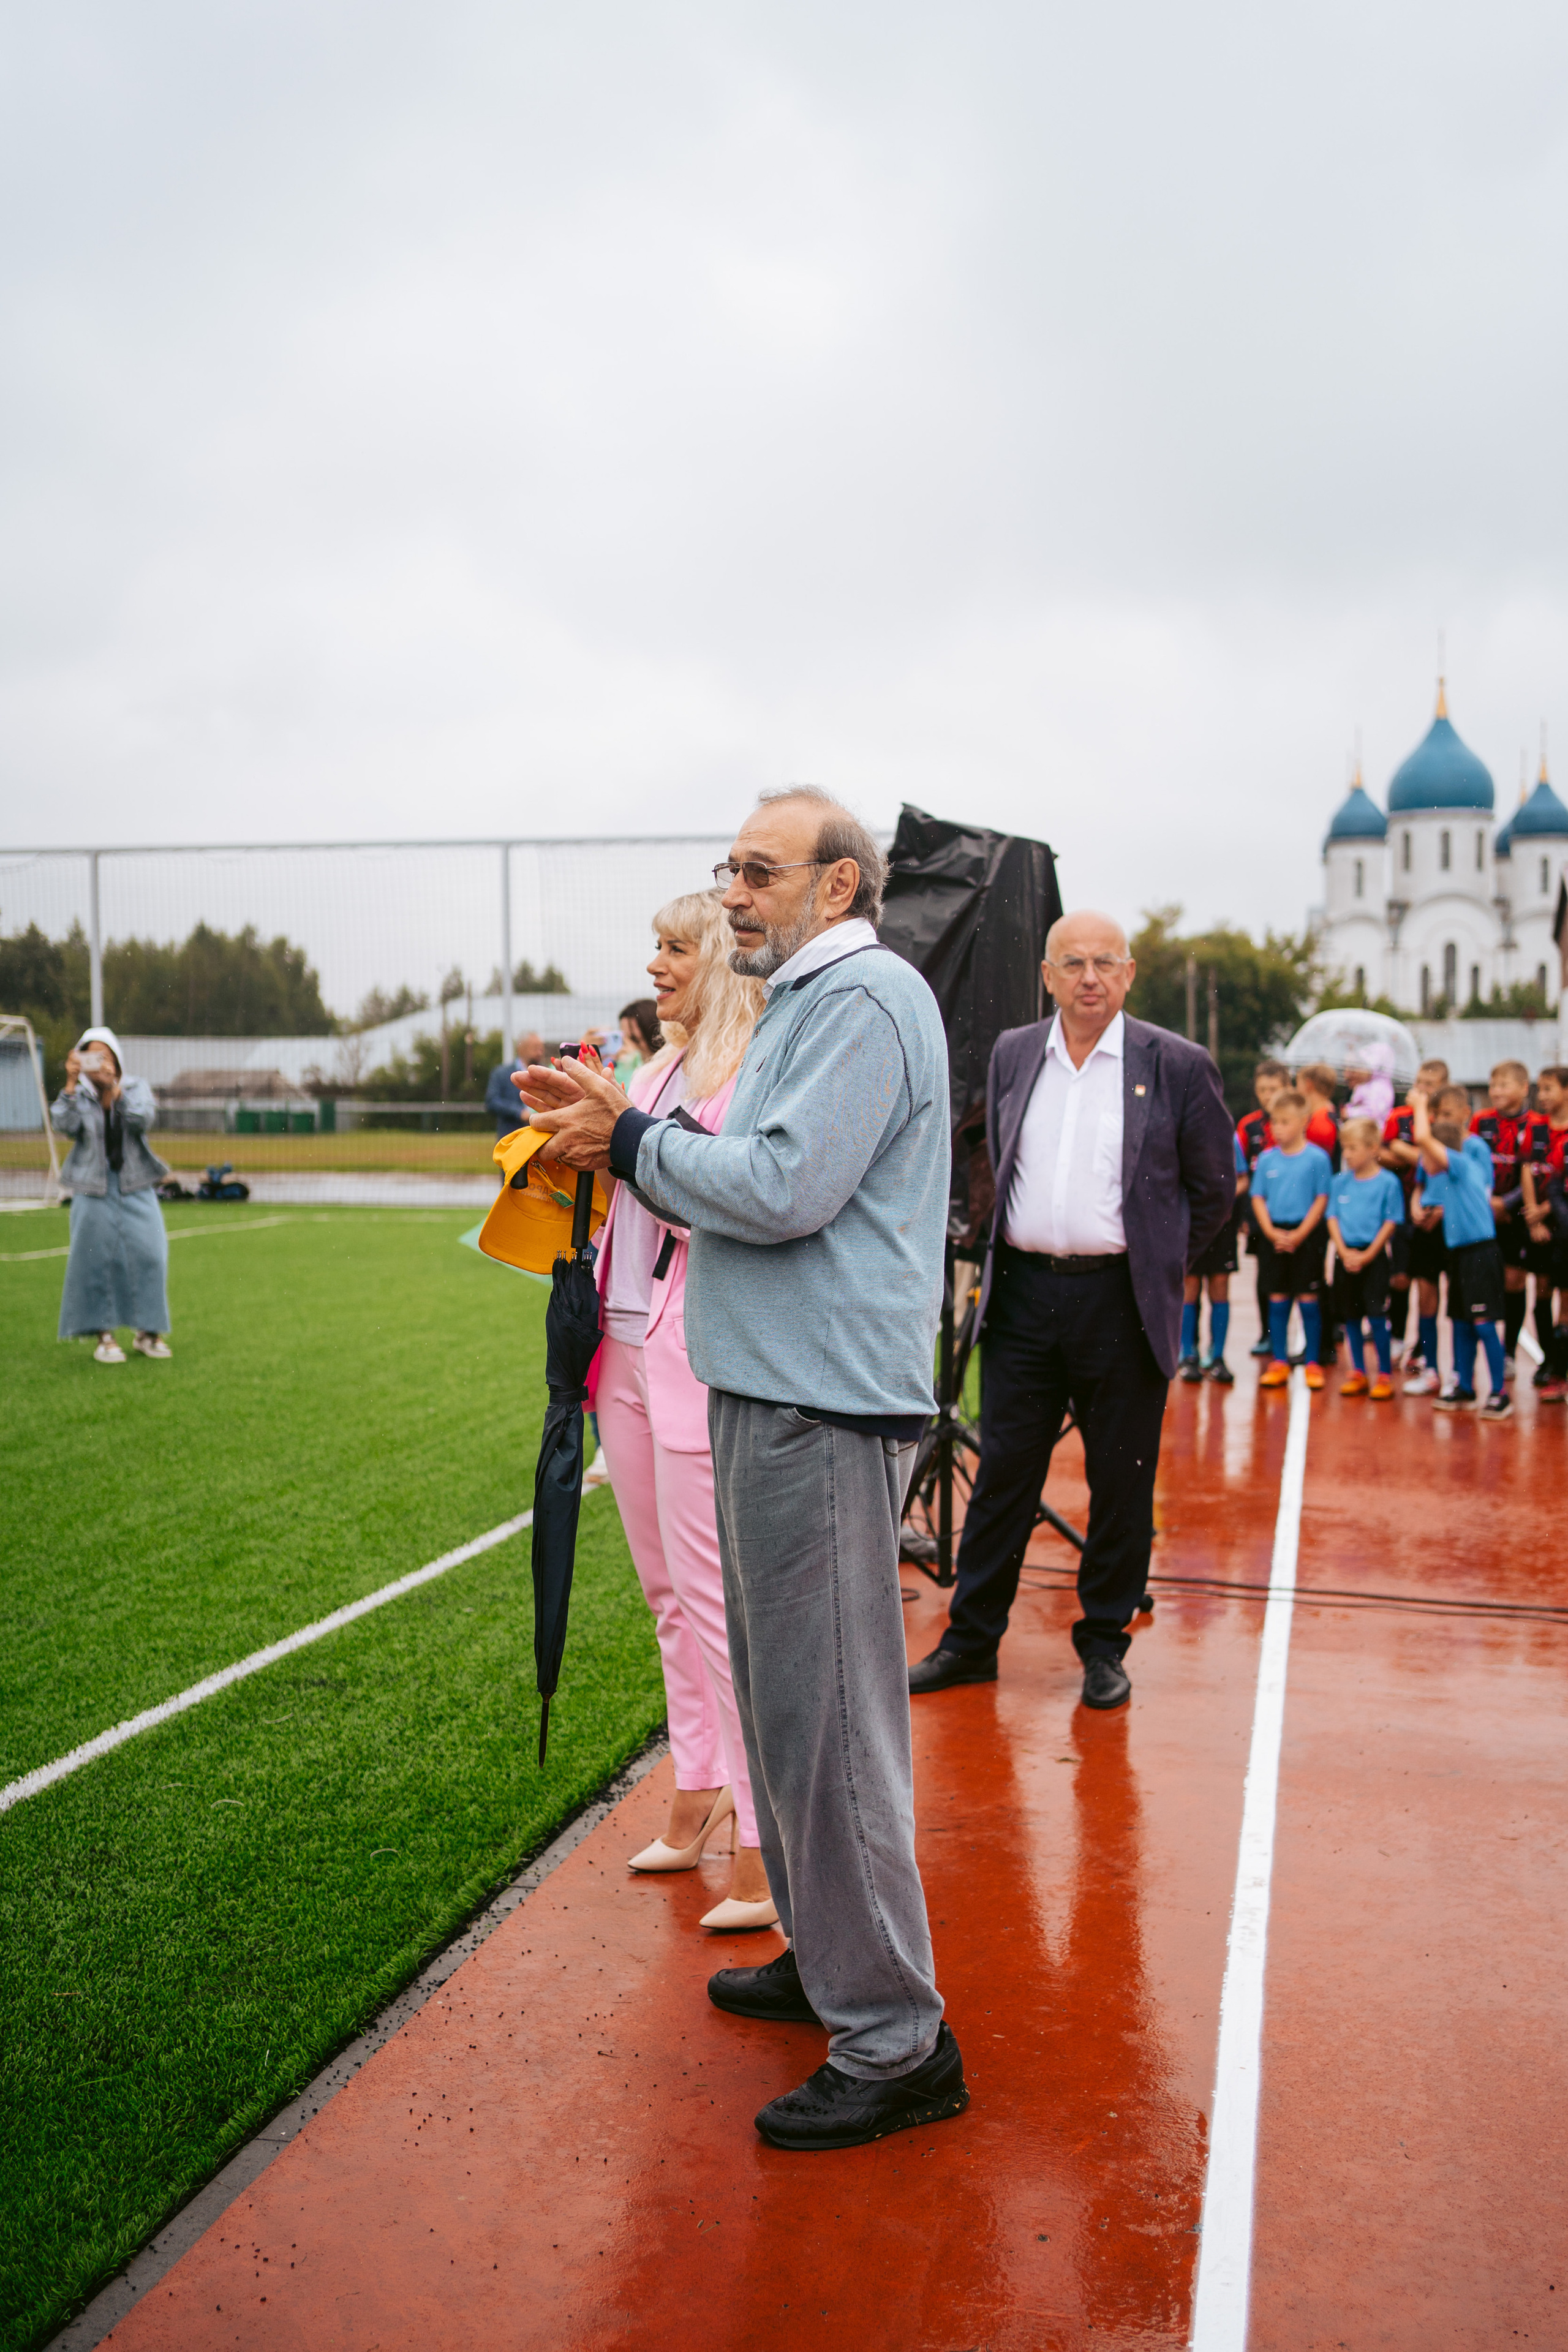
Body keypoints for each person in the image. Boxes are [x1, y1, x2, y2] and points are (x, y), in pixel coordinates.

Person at [519, 788, 966, 2154]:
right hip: (770, 1388)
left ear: (840, 887)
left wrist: (632, 1141)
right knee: (782, 1707)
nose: (732, 894)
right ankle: (829, 1959)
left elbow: (778, 1188)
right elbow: (731, 1167)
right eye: (729, 870)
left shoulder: (867, 1001)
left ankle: (894, 2040)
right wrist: (630, 1130)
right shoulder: (807, 1004)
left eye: (760, 871)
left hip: (818, 1403)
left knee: (827, 1726)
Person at [906, 908, 1235, 1714]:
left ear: (1129, 975)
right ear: (1048, 977)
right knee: (1002, 1479)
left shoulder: (1179, 1064)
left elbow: (1216, 1188)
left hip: (1121, 1303)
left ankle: (1103, 1644)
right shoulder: (1017, 1055)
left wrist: (1161, 1265)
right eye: (1072, 963)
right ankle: (971, 1641)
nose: (1090, 977)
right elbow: (995, 1154)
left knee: (1120, 1484)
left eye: (1105, 963)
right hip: (1021, 1297)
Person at [586, 894, 772, 1930]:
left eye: (676, 947)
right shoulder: (652, 1068)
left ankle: (761, 1833)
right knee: (665, 1596)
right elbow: (624, 1183)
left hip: (694, 1353)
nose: (657, 965)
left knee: (717, 1604)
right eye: (653, 946)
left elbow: (711, 1197)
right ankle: (697, 1786)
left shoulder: (742, 1071)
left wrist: (612, 1142)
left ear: (721, 963)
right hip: (621, 1343)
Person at [51, 1028, 172, 1363]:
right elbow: (64, 1125)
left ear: (116, 1059)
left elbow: (142, 1119)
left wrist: (114, 1091)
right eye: (91, 1056)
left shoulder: (135, 1087)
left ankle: (148, 1332)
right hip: (92, 1185)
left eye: (105, 1056)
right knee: (93, 1258)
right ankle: (104, 1335)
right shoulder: (78, 1094)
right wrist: (72, 1084)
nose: (99, 1063)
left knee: (152, 1253)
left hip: (135, 1182)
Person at [1413, 1088, 1510, 1419]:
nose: (1423, 1164)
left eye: (1427, 1157)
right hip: (1460, 1256)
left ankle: (1499, 1392)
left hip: (1480, 1253)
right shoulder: (1450, 1178)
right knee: (1461, 1323)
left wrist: (1419, 1104)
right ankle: (1464, 1386)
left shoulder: (1463, 1165)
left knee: (1483, 1324)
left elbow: (1425, 1138)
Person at [1250, 1090, 1333, 1391]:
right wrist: (1271, 1233)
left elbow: (1322, 1198)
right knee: (1278, 1298)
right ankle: (1280, 1360)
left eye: (1285, 1122)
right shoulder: (1268, 1159)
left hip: (1305, 1236)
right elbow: (1258, 1197)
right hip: (1275, 1235)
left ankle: (1312, 1362)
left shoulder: (1317, 1158)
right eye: (1274, 1122)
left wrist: (1300, 1234)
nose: (1277, 1128)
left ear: (1303, 1122)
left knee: (1309, 1299)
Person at [1382, 1058, 1450, 1390]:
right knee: (1400, 1277)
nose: (1423, 1089)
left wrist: (1403, 1150)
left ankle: (1425, 1354)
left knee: (1429, 1286)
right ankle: (1397, 1338)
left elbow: (1435, 1159)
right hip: (1404, 1204)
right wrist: (1400, 1151)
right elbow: (1382, 1152)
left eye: (1431, 1084)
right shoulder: (1398, 1117)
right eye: (1420, 1082)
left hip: (1437, 1213)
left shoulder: (1442, 1124)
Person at [1327, 1117, 1404, 1398]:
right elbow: (1332, 1217)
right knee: (1351, 1317)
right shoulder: (1339, 1182)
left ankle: (1384, 1374)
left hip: (1374, 1259)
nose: (1346, 1154)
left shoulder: (1388, 1182)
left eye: (1353, 1148)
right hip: (1345, 1257)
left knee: (1377, 1316)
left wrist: (1369, 1254)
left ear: (1373, 1149)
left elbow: (1391, 1222)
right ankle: (1357, 1371)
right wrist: (1344, 1252)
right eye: (1344, 1148)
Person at [1471, 1060, 1533, 1373]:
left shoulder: (1536, 1124)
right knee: (1481, 1281)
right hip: (1482, 1212)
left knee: (1514, 1280)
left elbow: (1534, 1172)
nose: (1496, 1092)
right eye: (1493, 1085)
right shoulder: (1481, 1122)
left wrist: (1506, 1205)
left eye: (1504, 1086)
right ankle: (1478, 1351)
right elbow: (1471, 1166)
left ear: (1524, 1088)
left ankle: (1509, 1351)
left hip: (1516, 1214)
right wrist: (1487, 1202)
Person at [1180, 1130, 1243, 1383]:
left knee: (1219, 1285)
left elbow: (1243, 1178)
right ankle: (1188, 1355)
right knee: (1190, 1286)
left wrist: (1221, 1200)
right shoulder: (1179, 1131)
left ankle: (1217, 1357)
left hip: (1220, 1226)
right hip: (1191, 1223)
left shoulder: (1227, 1135)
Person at [1521, 1065, 1568, 1398]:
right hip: (1536, 1222)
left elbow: (1562, 1183)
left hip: (1562, 1222)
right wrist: (1533, 1217)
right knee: (1540, 1291)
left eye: (1549, 1088)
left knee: (1564, 1299)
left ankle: (1560, 1370)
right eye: (1540, 1088)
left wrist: (1546, 1211)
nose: (1542, 1095)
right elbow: (1528, 1168)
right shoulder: (1538, 1127)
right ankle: (1548, 1361)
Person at [1238, 1060, 1286, 1356]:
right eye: (1263, 1090)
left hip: (1294, 1211)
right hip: (1259, 1211)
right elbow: (1241, 1171)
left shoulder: (1297, 1122)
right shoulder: (1249, 1125)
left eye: (1274, 1089)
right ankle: (1267, 1333)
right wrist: (1245, 1215)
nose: (1268, 1095)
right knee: (1265, 1274)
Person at [485, 1031, 546, 1138]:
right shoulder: (501, 1074)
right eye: (535, 1048)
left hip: (539, 1138)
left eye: (541, 1048)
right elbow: (492, 1102)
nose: (540, 1052)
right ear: (522, 1049)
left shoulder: (546, 1073)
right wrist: (519, 1112)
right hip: (510, 1138)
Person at [612, 999, 662, 1088]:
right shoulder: (619, 1068)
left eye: (635, 1040)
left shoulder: (667, 1076)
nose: (627, 1046)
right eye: (623, 1039)